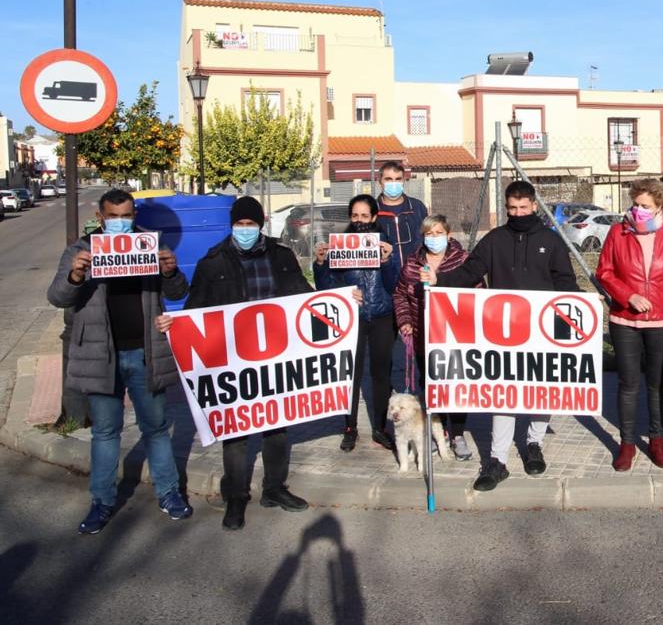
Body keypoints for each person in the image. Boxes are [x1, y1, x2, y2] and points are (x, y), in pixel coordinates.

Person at [47, 188, 193, 534]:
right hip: (101, 356)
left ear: (134, 216)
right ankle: (101, 501)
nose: (120, 222)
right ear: (100, 218)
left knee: (156, 428)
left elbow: (177, 293)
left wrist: (171, 271)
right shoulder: (81, 250)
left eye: (126, 215)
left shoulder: (149, 247)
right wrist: (75, 276)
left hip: (145, 354)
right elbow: (56, 297)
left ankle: (169, 493)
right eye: (113, 217)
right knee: (105, 431)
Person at [427, 181, 580, 491]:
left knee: (542, 390)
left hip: (542, 329)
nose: (518, 213)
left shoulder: (551, 242)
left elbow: (565, 281)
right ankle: (497, 461)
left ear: (535, 206)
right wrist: (438, 279)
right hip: (503, 331)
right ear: (507, 207)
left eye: (524, 208)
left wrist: (582, 304)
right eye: (512, 208)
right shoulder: (494, 240)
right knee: (504, 393)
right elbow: (470, 271)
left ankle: (534, 443)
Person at [175, 196, 313, 530]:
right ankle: (235, 498)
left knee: (277, 427)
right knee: (235, 432)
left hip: (276, 357)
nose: (245, 230)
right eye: (240, 224)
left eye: (251, 224)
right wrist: (175, 324)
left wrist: (341, 301)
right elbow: (196, 308)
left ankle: (275, 489)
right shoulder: (214, 262)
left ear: (260, 224)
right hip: (233, 362)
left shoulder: (280, 256)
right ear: (232, 225)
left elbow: (303, 296)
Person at [596, 178, 663, 471]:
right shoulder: (618, 233)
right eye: (635, 204)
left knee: (657, 384)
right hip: (625, 320)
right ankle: (626, 444)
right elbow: (605, 272)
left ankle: (656, 441)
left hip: (662, 321)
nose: (638, 210)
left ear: (660, 206)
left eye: (645, 206)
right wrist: (629, 296)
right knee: (628, 384)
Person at [313, 195, 399, 453]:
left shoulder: (385, 245)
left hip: (382, 315)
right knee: (350, 374)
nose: (359, 221)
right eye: (354, 216)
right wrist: (320, 264)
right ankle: (349, 427)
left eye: (364, 216)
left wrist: (388, 260)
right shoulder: (339, 245)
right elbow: (325, 286)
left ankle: (380, 428)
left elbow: (394, 284)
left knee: (381, 374)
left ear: (374, 217)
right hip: (353, 317)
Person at [392, 214, 476, 461]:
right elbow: (400, 294)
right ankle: (432, 432)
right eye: (429, 234)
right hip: (422, 336)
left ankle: (457, 435)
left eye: (439, 233)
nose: (434, 238)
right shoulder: (412, 263)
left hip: (454, 337)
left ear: (449, 235)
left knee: (455, 386)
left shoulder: (462, 260)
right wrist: (405, 320)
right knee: (428, 386)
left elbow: (477, 292)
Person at [375, 161, 430, 268]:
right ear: (379, 182)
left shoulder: (417, 207)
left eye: (398, 179)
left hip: (414, 275)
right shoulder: (371, 211)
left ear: (404, 181)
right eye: (388, 179)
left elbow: (429, 237)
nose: (393, 183)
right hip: (385, 275)